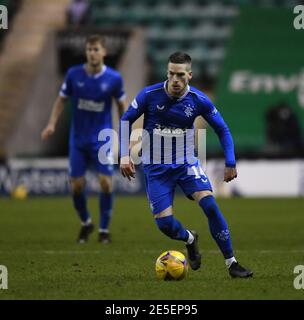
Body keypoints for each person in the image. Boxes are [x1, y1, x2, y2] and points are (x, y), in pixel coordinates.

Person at [120, 52, 253, 278]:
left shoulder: (199, 100)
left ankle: (232, 263)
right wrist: (125, 155)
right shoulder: (149, 95)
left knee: (210, 206)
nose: (175, 79)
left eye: (180, 75)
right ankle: (189, 238)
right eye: (171, 73)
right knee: (165, 225)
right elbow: (126, 119)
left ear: (189, 75)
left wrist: (230, 161)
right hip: (157, 168)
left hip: (186, 163)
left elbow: (223, 129)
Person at [41, 34, 127, 244]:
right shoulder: (73, 74)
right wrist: (52, 124)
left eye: (96, 49)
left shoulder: (114, 79)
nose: (92, 53)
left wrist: (126, 130)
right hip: (78, 139)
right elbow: (61, 100)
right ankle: (86, 223)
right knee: (77, 186)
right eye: (89, 49)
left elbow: (122, 106)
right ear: (86, 52)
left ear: (104, 52)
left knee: (105, 183)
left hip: (102, 138)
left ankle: (104, 230)